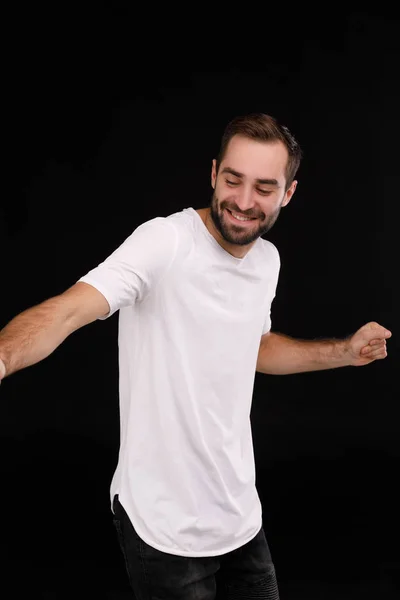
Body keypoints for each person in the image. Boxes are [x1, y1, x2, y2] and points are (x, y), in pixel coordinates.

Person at [0, 113, 392, 599]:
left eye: (264, 188)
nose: (244, 202)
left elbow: (255, 348)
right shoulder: (165, 242)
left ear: (288, 193)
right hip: (163, 525)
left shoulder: (266, 260)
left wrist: (345, 353)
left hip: (239, 515)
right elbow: (67, 311)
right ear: (213, 173)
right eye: (233, 180)